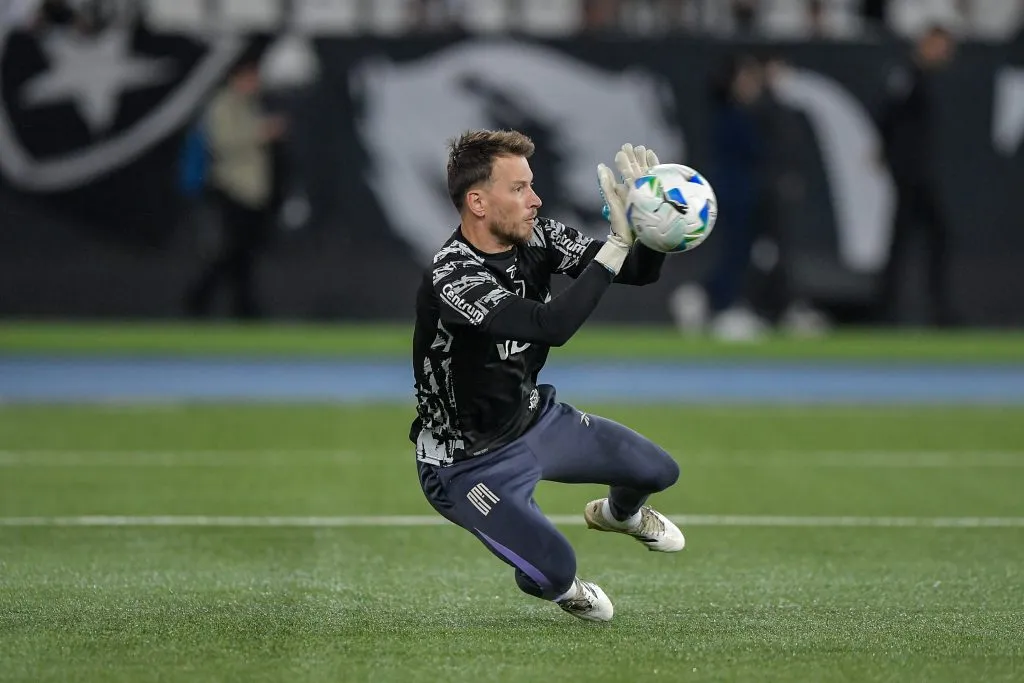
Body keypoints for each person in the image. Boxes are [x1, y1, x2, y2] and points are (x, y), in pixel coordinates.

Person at [410, 130, 685, 623]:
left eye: (531, 185)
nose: (535, 200)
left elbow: (637, 272)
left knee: (659, 471)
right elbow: (552, 327)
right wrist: (617, 244)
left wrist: (653, 225)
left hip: (535, 419)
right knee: (555, 570)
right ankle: (561, 587)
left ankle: (619, 516)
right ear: (477, 201)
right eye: (518, 189)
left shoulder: (537, 235)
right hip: (465, 462)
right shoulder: (452, 275)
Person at [184, 56, 286, 319]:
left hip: (252, 193)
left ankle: (240, 308)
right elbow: (220, 142)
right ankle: (202, 298)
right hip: (231, 189)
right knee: (232, 252)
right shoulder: (223, 105)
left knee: (242, 254)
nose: (256, 83)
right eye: (251, 77)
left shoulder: (249, 105)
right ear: (236, 78)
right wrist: (260, 132)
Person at [874, 24, 957, 326]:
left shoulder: (923, 78)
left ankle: (892, 309)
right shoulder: (906, 75)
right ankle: (892, 310)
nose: (946, 54)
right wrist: (884, 150)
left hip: (917, 172)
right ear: (927, 43)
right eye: (941, 46)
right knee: (918, 239)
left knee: (919, 239)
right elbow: (886, 114)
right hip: (910, 173)